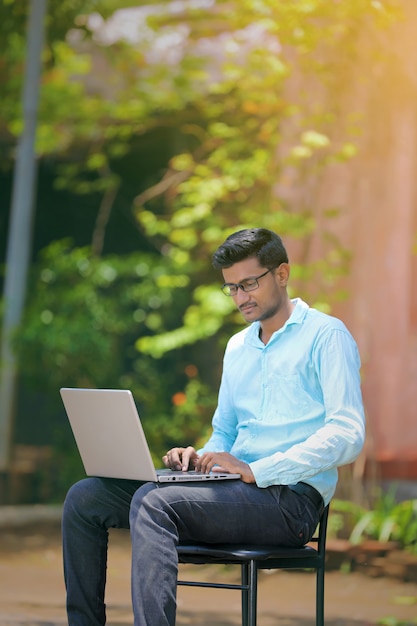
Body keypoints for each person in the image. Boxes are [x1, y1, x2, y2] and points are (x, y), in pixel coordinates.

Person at [62, 227, 365, 626]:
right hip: (232, 492)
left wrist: (258, 469)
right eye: (232, 289)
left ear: (282, 274)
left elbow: (348, 432)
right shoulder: (238, 347)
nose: (240, 298)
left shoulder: (327, 336)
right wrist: (199, 458)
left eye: (248, 284)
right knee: (86, 498)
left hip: (289, 501)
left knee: (153, 503)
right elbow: (223, 433)